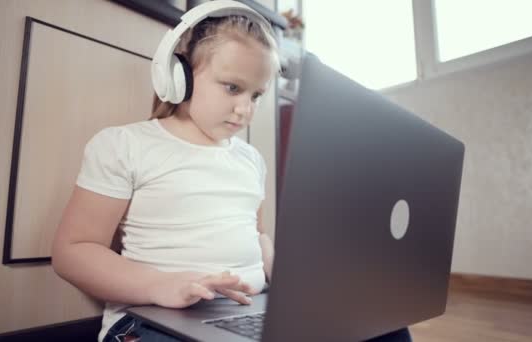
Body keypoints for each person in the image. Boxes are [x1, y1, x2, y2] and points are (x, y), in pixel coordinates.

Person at [52, 2, 411, 341]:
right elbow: (74, 251)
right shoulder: (125, 145)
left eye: (255, 95)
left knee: (384, 329)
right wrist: (160, 286)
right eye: (233, 87)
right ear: (179, 76)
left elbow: (258, 235)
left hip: (249, 310)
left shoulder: (250, 159)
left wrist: (292, 282)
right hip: (153, 317)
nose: (245, 109)